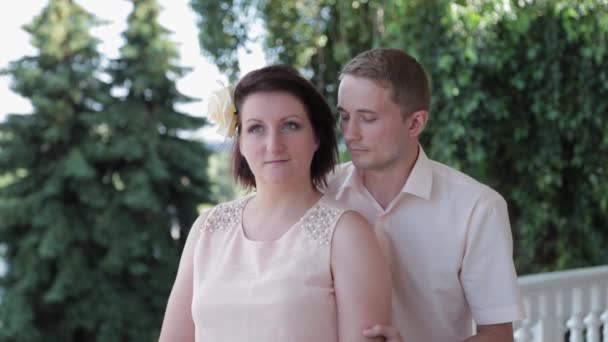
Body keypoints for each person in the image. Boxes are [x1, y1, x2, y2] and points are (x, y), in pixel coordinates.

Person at [158, 65, 392, 342]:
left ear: (316, 137)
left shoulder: (348, 234)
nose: (274, 144)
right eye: (256, 128)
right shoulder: (207, 229)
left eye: (290, 125)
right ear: (240, 142)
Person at [325, 48, 525, 341]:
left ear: (415, 123)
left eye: (367, 118)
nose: (350, 133)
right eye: (344, 117)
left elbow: (498, 335)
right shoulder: (321, 192)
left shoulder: (477, 208)